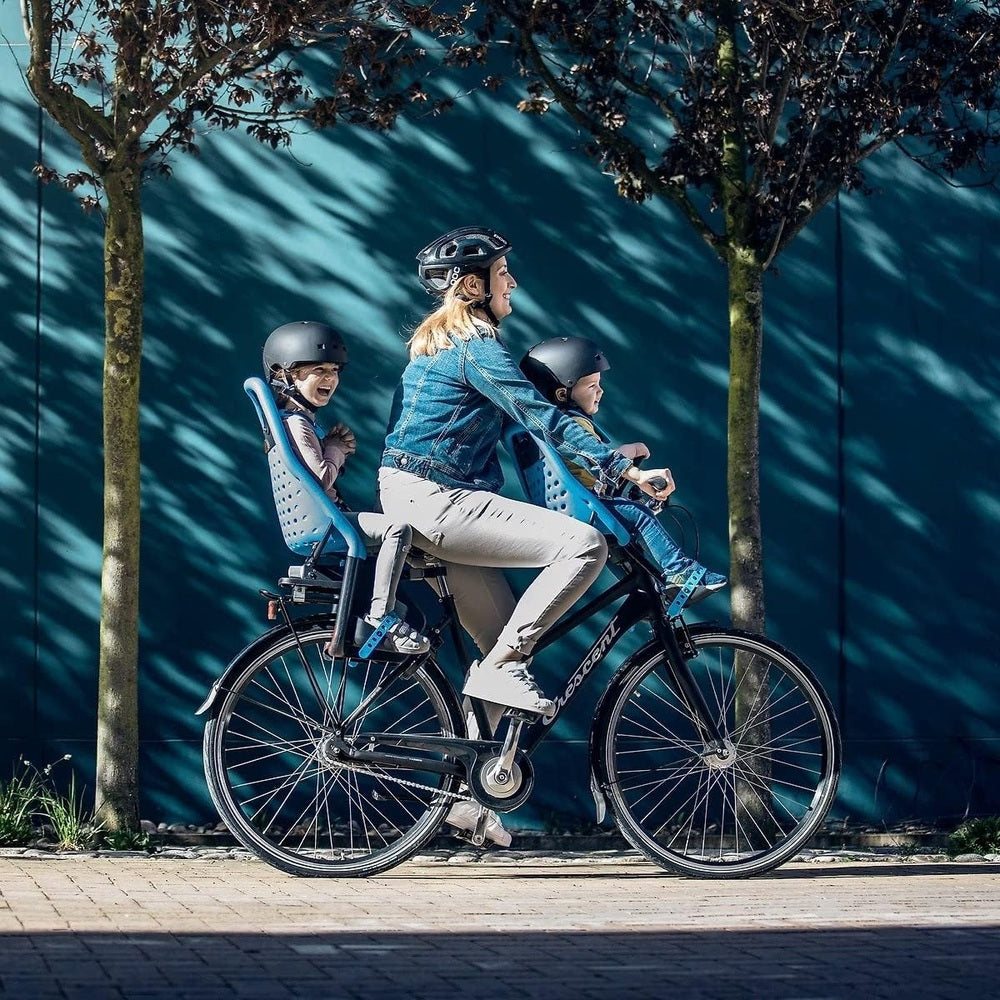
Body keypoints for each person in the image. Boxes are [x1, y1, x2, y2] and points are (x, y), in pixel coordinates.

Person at [378, 226, 675, 715]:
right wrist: (626, 470)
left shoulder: (441, 349)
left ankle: (475, 766)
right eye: (502, 272)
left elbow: (538, 432)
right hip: (437, 501)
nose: (512, 282)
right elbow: (543, 417)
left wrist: (605, 455)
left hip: (416, 499)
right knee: (584, 546)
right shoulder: (475, 347)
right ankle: (502, 668)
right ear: (473, 286)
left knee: (502, 645)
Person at [520, 336, 727, 608]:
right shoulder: (572, 424)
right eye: (592, 385)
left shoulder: (539, 430)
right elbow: (596, 460)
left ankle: (644, 595)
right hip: (585, 509)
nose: (600, 391)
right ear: (562, 394)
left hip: (568, 509)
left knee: (620, 543)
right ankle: (680, 571)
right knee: (640, 516)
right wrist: (631, 451)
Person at [263, 321, 430, 656]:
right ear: (285, 375)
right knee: (396, 530)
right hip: (326, 524)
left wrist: (330, 445)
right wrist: (336, 450)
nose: (330, 378)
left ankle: (361, 629)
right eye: (319, 370)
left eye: (335, 370)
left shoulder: (299, 422)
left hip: (325, 523)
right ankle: (380, 617)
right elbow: (318, 478)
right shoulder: (296, 424)